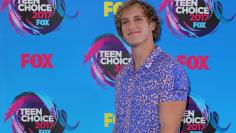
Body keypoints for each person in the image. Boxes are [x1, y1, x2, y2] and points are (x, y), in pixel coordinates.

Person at [113, 0, 190, 133]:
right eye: (125, 22)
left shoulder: (169, 69)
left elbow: (169, 128)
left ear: (152, 25)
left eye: (138, 19)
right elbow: (119, 123)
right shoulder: (122, 75)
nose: (131, 26)